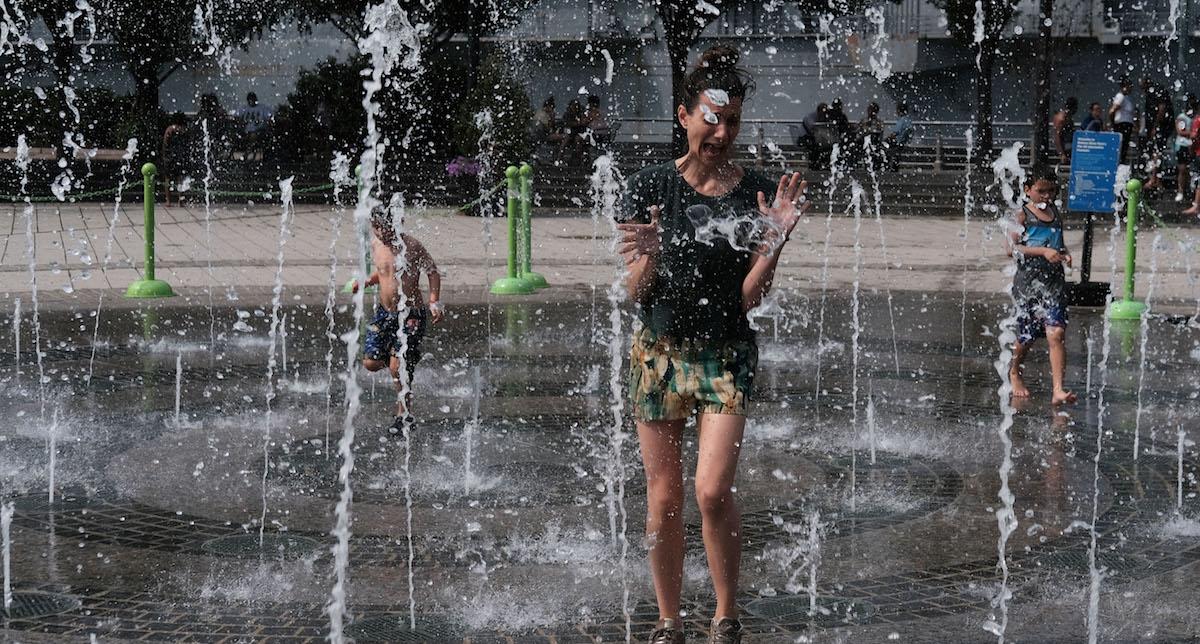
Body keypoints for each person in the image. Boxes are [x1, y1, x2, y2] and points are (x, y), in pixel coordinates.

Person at [615, 44, 808, 644]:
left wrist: (772, 242)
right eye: (712, 117)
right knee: (665, 496)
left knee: (712, 489)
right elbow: (634, 293)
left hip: (725, 355)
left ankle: (726, 614)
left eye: (733, 122)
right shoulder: (651, 187)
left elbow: (749, 297)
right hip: (658, 354)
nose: (722, 132)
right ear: (684, 116)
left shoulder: (754, 192)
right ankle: (670, 618)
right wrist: (646, 256)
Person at [357, 206, 445, 432]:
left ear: (398, 223)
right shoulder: (376, 245)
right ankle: (401, 359)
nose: (379, 232)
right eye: (375, 227)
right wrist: (368, 281)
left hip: (410, 315)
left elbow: (432, 271)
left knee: (398, 369)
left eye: (384, 228)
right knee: (371, 362)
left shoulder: (412, 246)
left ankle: (404, 414)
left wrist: (434, 301)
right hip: (384, 313)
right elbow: (384, 271)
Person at [1005, 167, 1077, 406]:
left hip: (1054, 283)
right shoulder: (1022, 215)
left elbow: (1059, 243)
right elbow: (1011, 249)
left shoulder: (1056, 213)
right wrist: (1043, 251)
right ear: (1027, 190)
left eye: (1051, 191)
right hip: (1028, 285)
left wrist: (1064, 254)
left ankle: (1058, 389)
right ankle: (1014, 372)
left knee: (1056, 332)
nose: (1047, 196)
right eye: (1041, 191)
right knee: (1026, 336)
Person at [161, 112, 191, 207]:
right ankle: (181, 200)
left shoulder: (170, 129)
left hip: (170, 157)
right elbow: (188, 144)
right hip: (180, 157)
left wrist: (165, 155)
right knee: (180, 179)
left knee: (168, 179)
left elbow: (165, 143)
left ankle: (168, 201)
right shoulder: (184, 130)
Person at [235, 91, 272, 161]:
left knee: (254, 135)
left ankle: (247, 153)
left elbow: (269, 118)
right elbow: (237, 118)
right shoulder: (243, 108)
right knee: (244, 135)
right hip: (246, 131)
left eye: (252, 99)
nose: (251, 101)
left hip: (259, 130)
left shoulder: (262, 108)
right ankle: (249, 152)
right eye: (250, 99)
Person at [1174, 94, 1196, 202]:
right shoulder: (1182, 117)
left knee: (1191, 170)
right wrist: (1193, 133)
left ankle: (1189, 190)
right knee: (1182, 169)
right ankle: (1180, 191)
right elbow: (1180, 131)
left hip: (1192, 146)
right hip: (1182, 145)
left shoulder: (1195, 117)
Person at [1109, 77, 1136, 163]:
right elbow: (1112, 111)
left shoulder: (1127, 98)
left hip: (1127, 125)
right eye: (1129, 86)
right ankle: (1118, 163)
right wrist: (1113, 124)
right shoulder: (1120, 96)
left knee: (1124, 148)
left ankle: (1121, 163)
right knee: (1121, 148)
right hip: (1122, 125)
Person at [797, 102, 830, 169]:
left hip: (814, 138)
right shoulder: (810, 117)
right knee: (815, 146)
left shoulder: (824, 117)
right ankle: (814, 165)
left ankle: (824, 164)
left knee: (826, 146)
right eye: (823, 112)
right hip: (804, 138)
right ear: (819, 111)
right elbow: (812, 128)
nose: (824, 114)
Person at [885, 102, 913, 171]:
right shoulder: (908, 120)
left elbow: (896, 132)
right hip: (903, 142)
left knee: (883, 145)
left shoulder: (901, 120)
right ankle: (893, 165)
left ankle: (887, 164)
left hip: (897, 142)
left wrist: (887, 137)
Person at [858, 100, 885, 168]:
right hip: (864, 141)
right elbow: (860, 130)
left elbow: (880, 131)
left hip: (874, 142)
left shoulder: (879, 122)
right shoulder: (864, 121)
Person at [1052, 97, 1078, 164]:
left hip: (1068, 147)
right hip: (1063, 149)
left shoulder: (1068, 117)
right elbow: (1057, 137)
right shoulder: (1062, 119)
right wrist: (1062, 154)